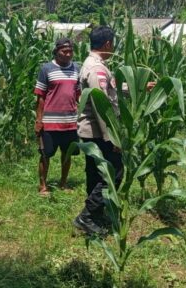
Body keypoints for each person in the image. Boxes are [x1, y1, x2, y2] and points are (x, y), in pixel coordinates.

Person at [73, 25, 122, 236]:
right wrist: (112, 138)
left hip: (90, 131)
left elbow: (109, 90)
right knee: (114, 174)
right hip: (98, 132)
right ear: (108, 44)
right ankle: (87, 215)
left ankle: (95, 214)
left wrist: (138, 87)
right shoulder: (97, 69)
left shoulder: (93, 65)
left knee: (95, 174)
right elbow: (102, 105)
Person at [34, 37, 81, 196]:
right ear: (56, 51)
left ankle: (63, 183)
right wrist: (39, 120)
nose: (68, 54)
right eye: (64, 51)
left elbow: (79, 95)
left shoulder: (76, 69)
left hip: (70, 122)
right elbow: (40, 97)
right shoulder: (46, 69)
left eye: (70, 51)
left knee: (67, 155)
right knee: (45, 154)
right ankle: (43, 186)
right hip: (50, 122)